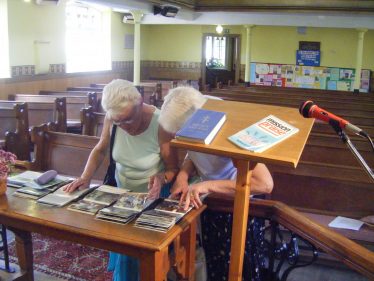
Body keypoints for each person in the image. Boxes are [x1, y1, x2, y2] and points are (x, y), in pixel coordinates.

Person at [63, 79, 178, 281]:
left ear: (140, 103)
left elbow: (173, 169)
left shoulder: (161, 123)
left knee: (139, 260)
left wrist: (161, 177)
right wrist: (85, 177)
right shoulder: (113, 118)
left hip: (154, 198)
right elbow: (100, 149)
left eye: (129, 119)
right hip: (122, 196)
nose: (125, 127)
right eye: (118, 122)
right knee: (123, 252)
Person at [158, 86, 274, 281]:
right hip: (214, 201)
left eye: (182, 131)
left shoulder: (230, 121)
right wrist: (183, 176)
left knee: (239, 270)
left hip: (242, 204)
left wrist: (207, 185)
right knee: (215, 265)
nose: (179, 135)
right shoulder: (193, 115)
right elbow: (193, 152)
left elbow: (264, 183)